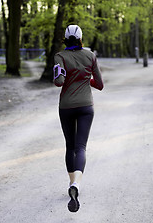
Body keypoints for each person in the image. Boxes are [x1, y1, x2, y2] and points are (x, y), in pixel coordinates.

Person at [53, 25, 104, 212]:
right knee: (81, 147)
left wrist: (65, 77)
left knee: (70, 146)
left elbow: (58, 82)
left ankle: (72, 183)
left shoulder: (60, 57)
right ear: (81, 38)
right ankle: (77, 184)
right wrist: (85, 79)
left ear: (65, 39)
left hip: (66, 107)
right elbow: (99, 84)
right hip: (85, 107)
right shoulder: (90, 56)